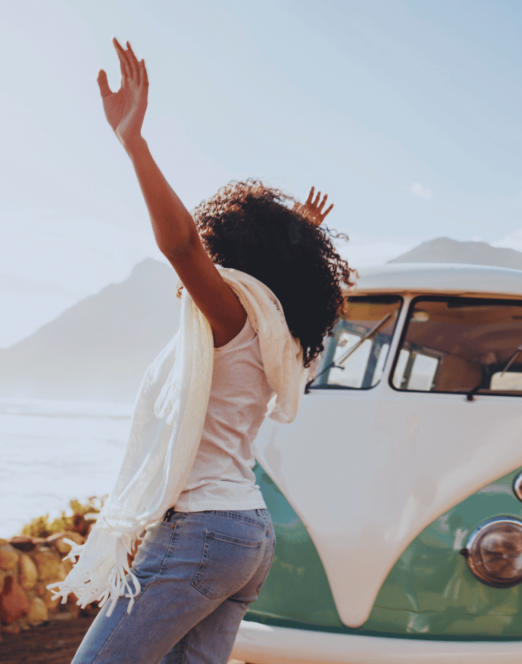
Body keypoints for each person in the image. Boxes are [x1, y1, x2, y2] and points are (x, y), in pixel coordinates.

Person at [64, 38, 354, 664]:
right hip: (246, 533)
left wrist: (133, 143)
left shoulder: (230, 315)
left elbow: (183, 248)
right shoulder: (278, 330)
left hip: (201, 530)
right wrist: (301, 235)